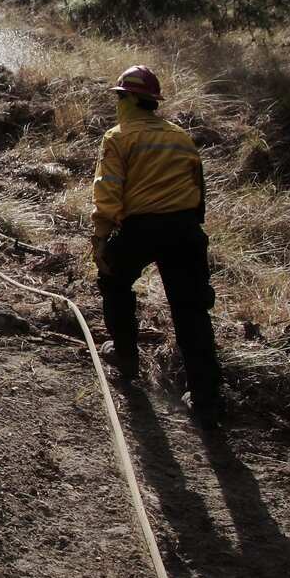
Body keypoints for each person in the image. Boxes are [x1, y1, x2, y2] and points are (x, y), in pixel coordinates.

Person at [90, 65, 225, 426]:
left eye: (120, 96)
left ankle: (125, 357)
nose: (117, 103)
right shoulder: (180, 136)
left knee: (114, 283)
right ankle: (207, 401)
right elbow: (198, 186)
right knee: (191, 311)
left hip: (140, 228)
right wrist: (193, 228)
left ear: (133, 99)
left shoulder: (117, 137)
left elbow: (107, 193)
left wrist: (101, 237)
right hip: (184, 229)